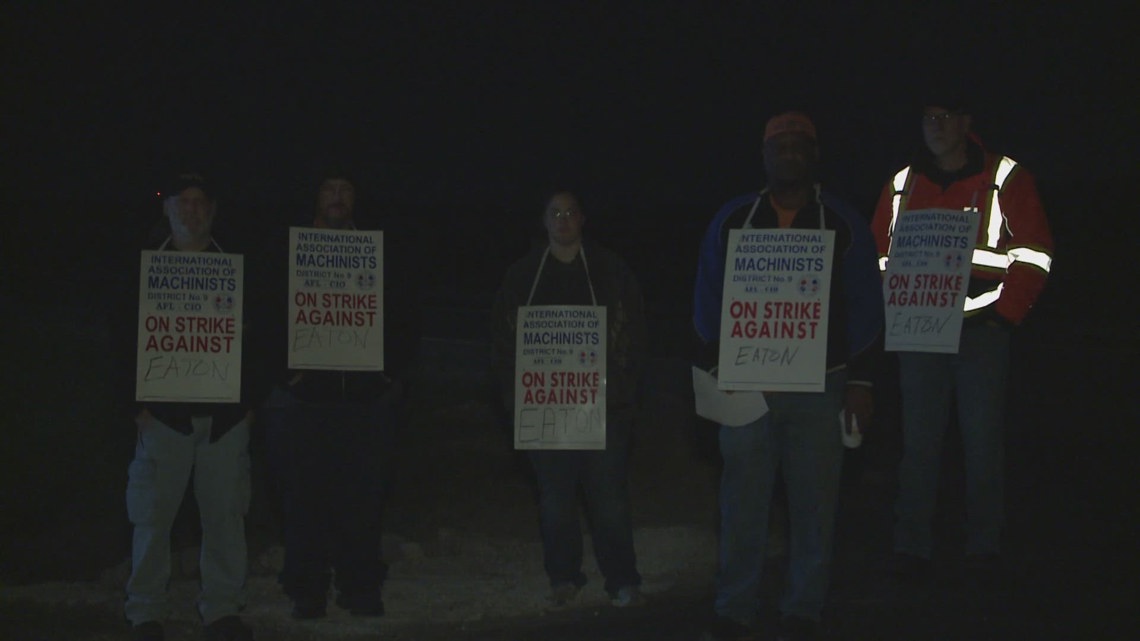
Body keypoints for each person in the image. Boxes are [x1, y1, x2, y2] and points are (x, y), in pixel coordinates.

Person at [693, 113, 883, 641]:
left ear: (814, 155)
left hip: (822, 389)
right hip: (746, 386)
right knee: (742, 508)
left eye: (800, 147)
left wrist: (862, 384)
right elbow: (707, 302)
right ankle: (734, 607)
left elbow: (868, 309)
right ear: (765, 156)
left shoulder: (842, 223)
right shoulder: (732, 220)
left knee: (814, 508)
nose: (790, 155)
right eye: (781, 147)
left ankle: (804, 608)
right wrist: (716, 369)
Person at [871, 95, 1054, 583]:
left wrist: (1004, 317)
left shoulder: (1004, 176)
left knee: (982, 442)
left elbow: (1034, 254)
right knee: (920, 444)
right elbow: (879, 258)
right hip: (919, 337)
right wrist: (897, 311)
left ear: (966, 122)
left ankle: (984, 547)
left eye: (945, 117)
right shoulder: (902, 183)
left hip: (981, 334)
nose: (935, 126)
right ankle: (911, 547)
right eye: (928, 117)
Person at [258, 166, 419, 620]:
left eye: (345, 190)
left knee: (364, 502)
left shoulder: (380, 251)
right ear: (314, 198)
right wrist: (284, 376)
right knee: (302, 501)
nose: (336, 197)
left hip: (365, 403)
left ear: (355, 200)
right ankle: (307, 589)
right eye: (328, 189)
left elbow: (406, 313)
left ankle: (360, 587)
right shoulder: (285, 249)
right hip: (302, 403)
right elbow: (262, 314)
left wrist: (388, 376)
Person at [490, 191, 647, 608]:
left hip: (606, 411)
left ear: (583, 219)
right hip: (545, 409)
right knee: (556, 500)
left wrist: (622, 392)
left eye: (570, 213)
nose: (562, 220)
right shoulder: (522, 276)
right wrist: (514, 399)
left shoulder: (611, 270)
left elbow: (634, 334)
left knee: (608, 499)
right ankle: (563, 576)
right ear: (544, 222)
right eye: (554, 214)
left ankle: (622, 579)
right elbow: (504, 344)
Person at [123, 173, 256, 641]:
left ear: (213, 211)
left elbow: (258, 341)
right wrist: (135, 406)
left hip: (223, 422)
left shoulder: (237, 268)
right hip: (163, 419)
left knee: (224, 518)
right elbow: (122, 340)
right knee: (152, 519)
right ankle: (145, 612)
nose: (192, 210)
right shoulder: (144, 269)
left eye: (201, 202)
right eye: (183, 201)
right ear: (167, 208)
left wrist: (247, 406)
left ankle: (221, 609)